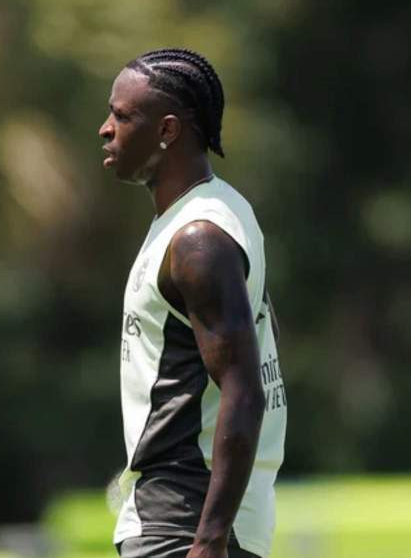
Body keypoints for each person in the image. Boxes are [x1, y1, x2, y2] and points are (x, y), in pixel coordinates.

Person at [99, 48, 287, 558]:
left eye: (121, 115)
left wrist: (208, 540)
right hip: (183, 517)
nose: (105, 128)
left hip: (184, 522)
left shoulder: (198, 237)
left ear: (167, 131)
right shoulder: (216, 211)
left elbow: (244, 391)